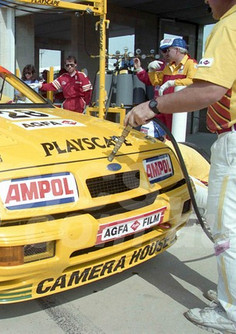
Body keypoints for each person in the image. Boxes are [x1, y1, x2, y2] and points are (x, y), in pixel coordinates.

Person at [125, 0, 236, 332]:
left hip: (230, 141)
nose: (205, 1)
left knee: (226, 229)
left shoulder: (229, 25)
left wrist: (151, 106)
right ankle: (229, 290)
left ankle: (229, 310)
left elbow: (211, 90)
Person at [133, 37, 197, 131]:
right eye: (163, 51)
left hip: (178, 107)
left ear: (177, 50)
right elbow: (155, 81)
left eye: (167, 50)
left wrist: (172, 83)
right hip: (163, 106)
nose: (165, 54)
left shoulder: (191, 64)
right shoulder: (169, 66)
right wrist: (150, 70)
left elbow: (193, 81)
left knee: (175, 134)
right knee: (155, 133)